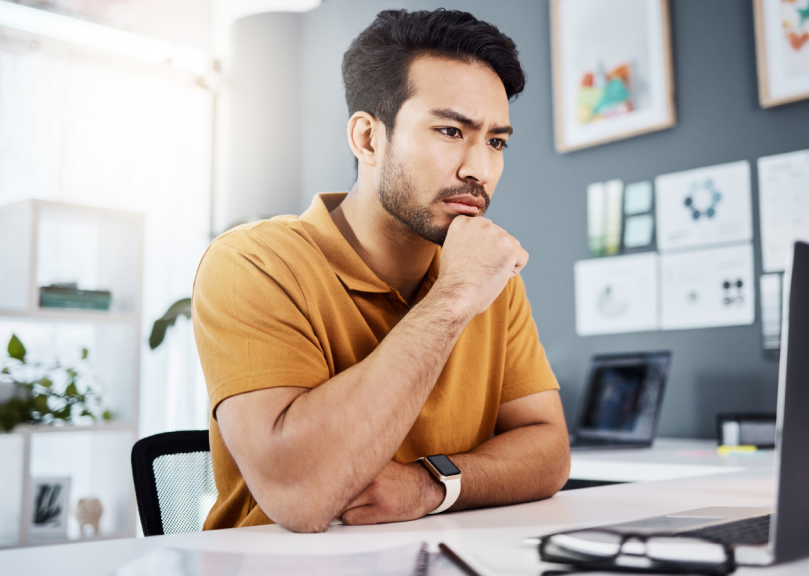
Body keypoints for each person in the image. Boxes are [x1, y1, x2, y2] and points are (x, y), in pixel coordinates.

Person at [192, 9, 570, 533]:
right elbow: (301, 494)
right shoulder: (253, 263)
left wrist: (428, 485)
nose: (479, 170)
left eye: (496, 142)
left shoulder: (490, 278)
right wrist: (454, 296)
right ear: (368, 139)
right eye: (449, 130)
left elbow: (549, 449)